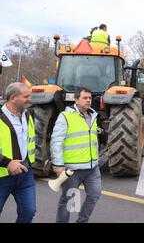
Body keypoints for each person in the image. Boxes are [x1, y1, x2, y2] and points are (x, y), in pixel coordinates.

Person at [50, 88, 102, 223]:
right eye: (85, 98)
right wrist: (58, 164)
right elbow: (56, 141)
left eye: (90, 98)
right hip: (73, 169)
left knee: (95, 194)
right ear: (76, 100)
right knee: (68, 200)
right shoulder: (65, 116)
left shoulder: (93, 115)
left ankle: (82, 220)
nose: (88, 100)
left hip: (92, 167)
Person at [0, 83, 36, 223]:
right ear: (13, 98)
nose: (30, 99)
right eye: (26, 96)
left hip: (25, 174)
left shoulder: (28, 114)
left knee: (28, 212)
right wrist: (7, 162)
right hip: (2, 176)